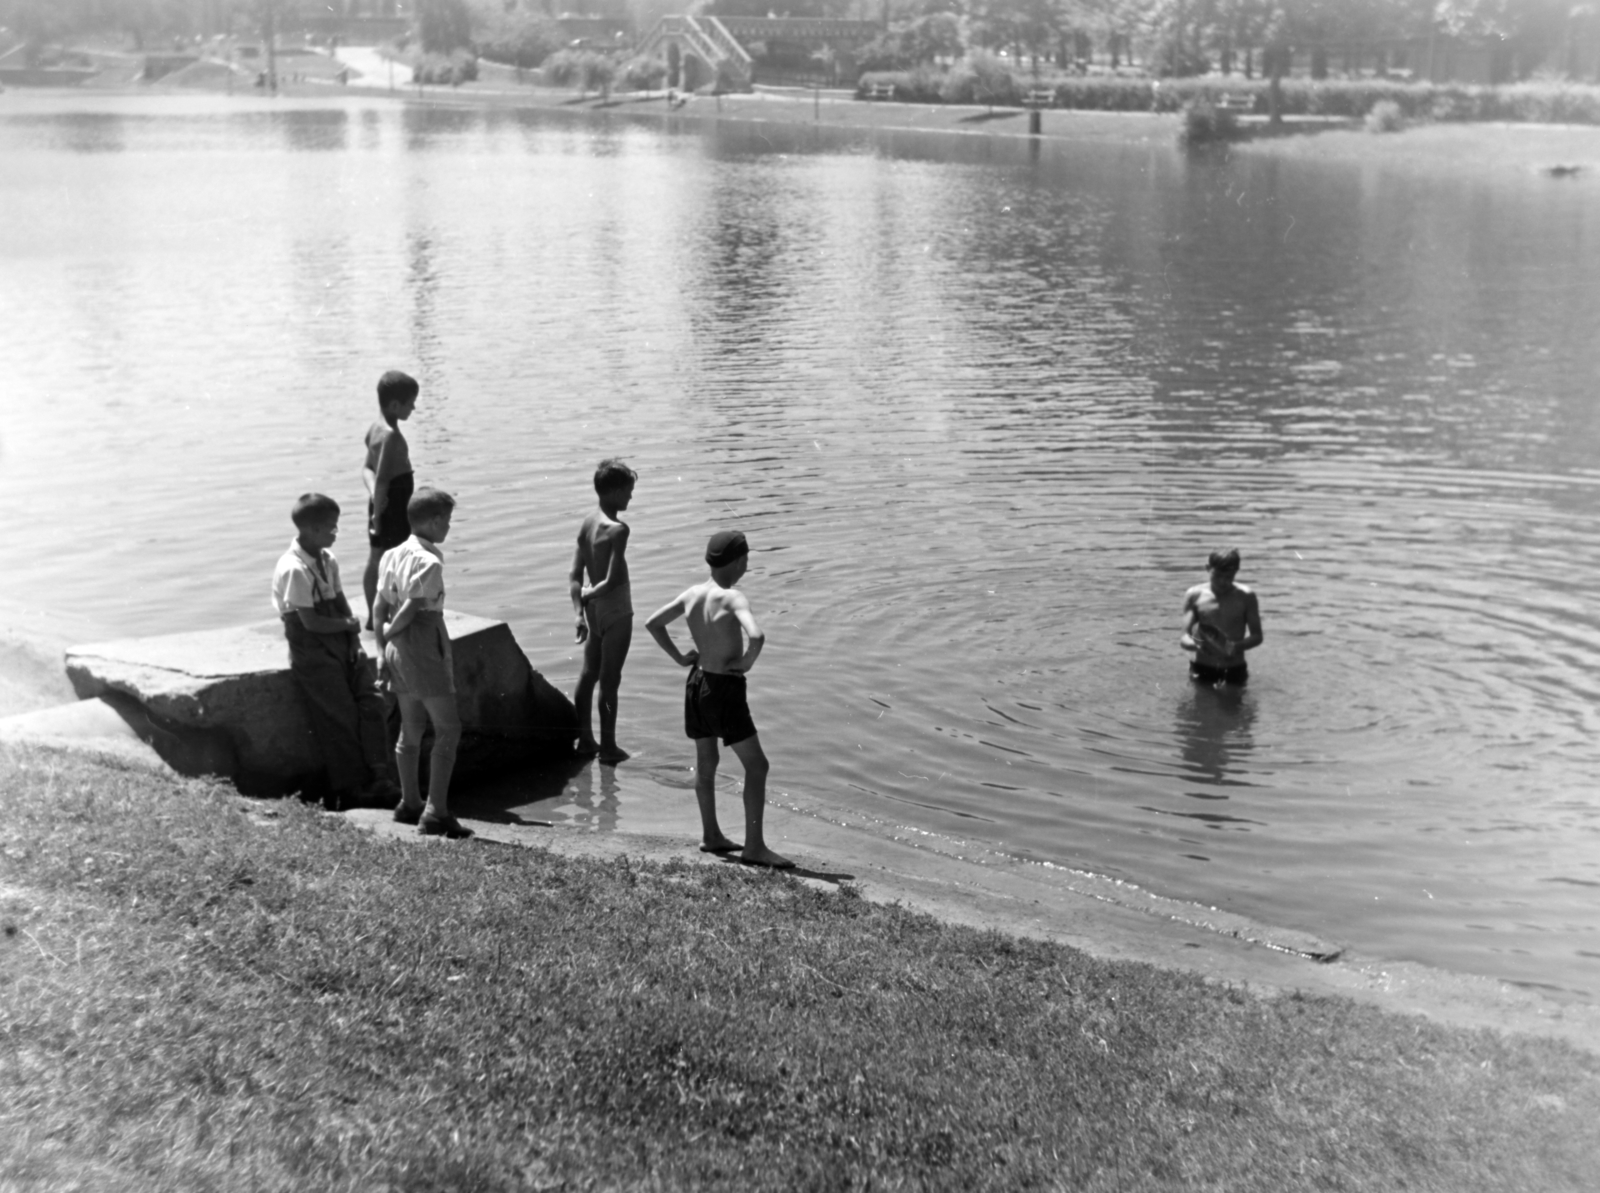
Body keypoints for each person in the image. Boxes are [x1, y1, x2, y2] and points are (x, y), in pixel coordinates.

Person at [645, 530, 793, 869]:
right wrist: (746, 663)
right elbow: (757, 635)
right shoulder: (733, 597)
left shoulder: (692, 594)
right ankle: (754, 846)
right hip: (725, 689)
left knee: (706, 762)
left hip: (696, 684)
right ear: (740, 562)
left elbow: (653, 624)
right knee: (758, 766)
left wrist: (680, 658)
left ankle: (711, 835)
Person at [270, 493, 395, 811]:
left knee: (372, 701)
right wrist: (348, 625)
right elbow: (310, 623)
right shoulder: (294, 568)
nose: (335, 533)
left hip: (340, 640)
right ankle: (351, 787)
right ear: (310, 530)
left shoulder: (327, 560)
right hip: (312, 649)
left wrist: (353, 640)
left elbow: (339, 601)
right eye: (331, 528)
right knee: (338, 714)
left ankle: (379, 775)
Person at [373, 486, 472, 839]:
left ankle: (409, 802)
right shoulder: (429, 561)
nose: (448, 526)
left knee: (411, 725)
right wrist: (392, 632)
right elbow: (411, 608)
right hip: (420, 643)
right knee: (449, 728)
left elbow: (378, 605)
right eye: (446, 520)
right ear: (432, 521)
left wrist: (383, 648)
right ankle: (436, 812)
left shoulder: (391, 554)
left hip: (398, 650)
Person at [569, 458, 637, 763]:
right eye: (628, 491)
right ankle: (608, 748)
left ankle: (586, 739)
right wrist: (589, 595)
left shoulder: (586, 523)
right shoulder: (618, 530)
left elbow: (574, 575)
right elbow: (610, 582)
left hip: (594, 613)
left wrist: (579, 610)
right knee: (611, 681)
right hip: (616, 609)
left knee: (588, 675)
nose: (630, 497)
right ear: (613, 492)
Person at [362, 370, 418, 629]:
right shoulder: (391, 437)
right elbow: (383, 477)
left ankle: (374, 616)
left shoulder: (375, 429)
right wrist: (378, 515)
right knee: (394, 557)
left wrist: (374, 498)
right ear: (395, 405)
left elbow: (367, 470)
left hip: (381, 502)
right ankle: (389, 614)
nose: (413, 408)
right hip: (393, 504)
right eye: (410, 403)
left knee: (376, 557)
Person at [1180, 547, 1263, 685]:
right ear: (1207, 568)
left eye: (1229, 577)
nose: (1223, 582)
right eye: (1217, 576)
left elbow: (1257, 636)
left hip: (1234, 668)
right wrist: (1199, 645)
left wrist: (1234, 647)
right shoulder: (1194, 595)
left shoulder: (1246, 596)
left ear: (1236, 572)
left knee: (1235, 706)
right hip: (1203, 668)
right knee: (1200, 705)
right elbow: (1184, 638)